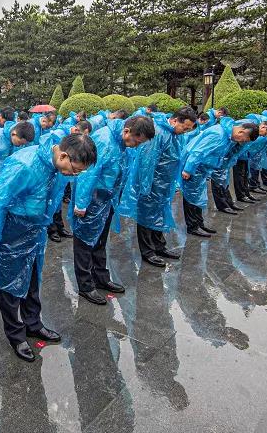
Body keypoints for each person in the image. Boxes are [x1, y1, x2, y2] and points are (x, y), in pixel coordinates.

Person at [0, 133, 97, 362]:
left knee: (32, 279)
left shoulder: (56, 168)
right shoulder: (24, 164)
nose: (74, 175)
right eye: (75, 170)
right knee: (10, 284)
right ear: (63, 155)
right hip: (12, 230)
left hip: (35, 230)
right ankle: (16, 334)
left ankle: (33, 323)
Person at [71, 116, 155, 305]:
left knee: (100, 239)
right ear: (127, 131)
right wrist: (81, 203)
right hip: (92, 198)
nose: (136, 146)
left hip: (106, 199)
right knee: (84, 242)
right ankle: (85, 285)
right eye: (137, 141)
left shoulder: (122, 144)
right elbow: (88, 172)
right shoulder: (104, 140)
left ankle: (101, 277)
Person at [118, 108, 197, 267]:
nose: (186, 131)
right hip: (152, 184)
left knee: (159, 214)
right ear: (175, 120)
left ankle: (159, 246)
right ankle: (148, 251)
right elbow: (147, 162)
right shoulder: (159, 133)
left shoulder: (175, 135)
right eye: (185, 127)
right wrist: (145, 187)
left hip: (164, 185)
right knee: (146, 216)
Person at [180, 118, 258, 237]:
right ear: (241, 132)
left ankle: (199, 223)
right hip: (194, 166)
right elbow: (198, 152)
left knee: (198, 196)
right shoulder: (218, 135)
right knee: (191, 197)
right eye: (244, 140)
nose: (242, 142)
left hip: (202, 168)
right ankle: (193, 226)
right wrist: (188, 169)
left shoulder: (228, 136)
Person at [47, 120, 91, 243]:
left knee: (58, 202)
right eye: (83, 134)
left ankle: (60, 227)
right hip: (56, 173)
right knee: (50, 202)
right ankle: (52, 230)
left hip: (62, 176)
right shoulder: (58, 135)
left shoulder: (72, 138)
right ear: (76, 130)